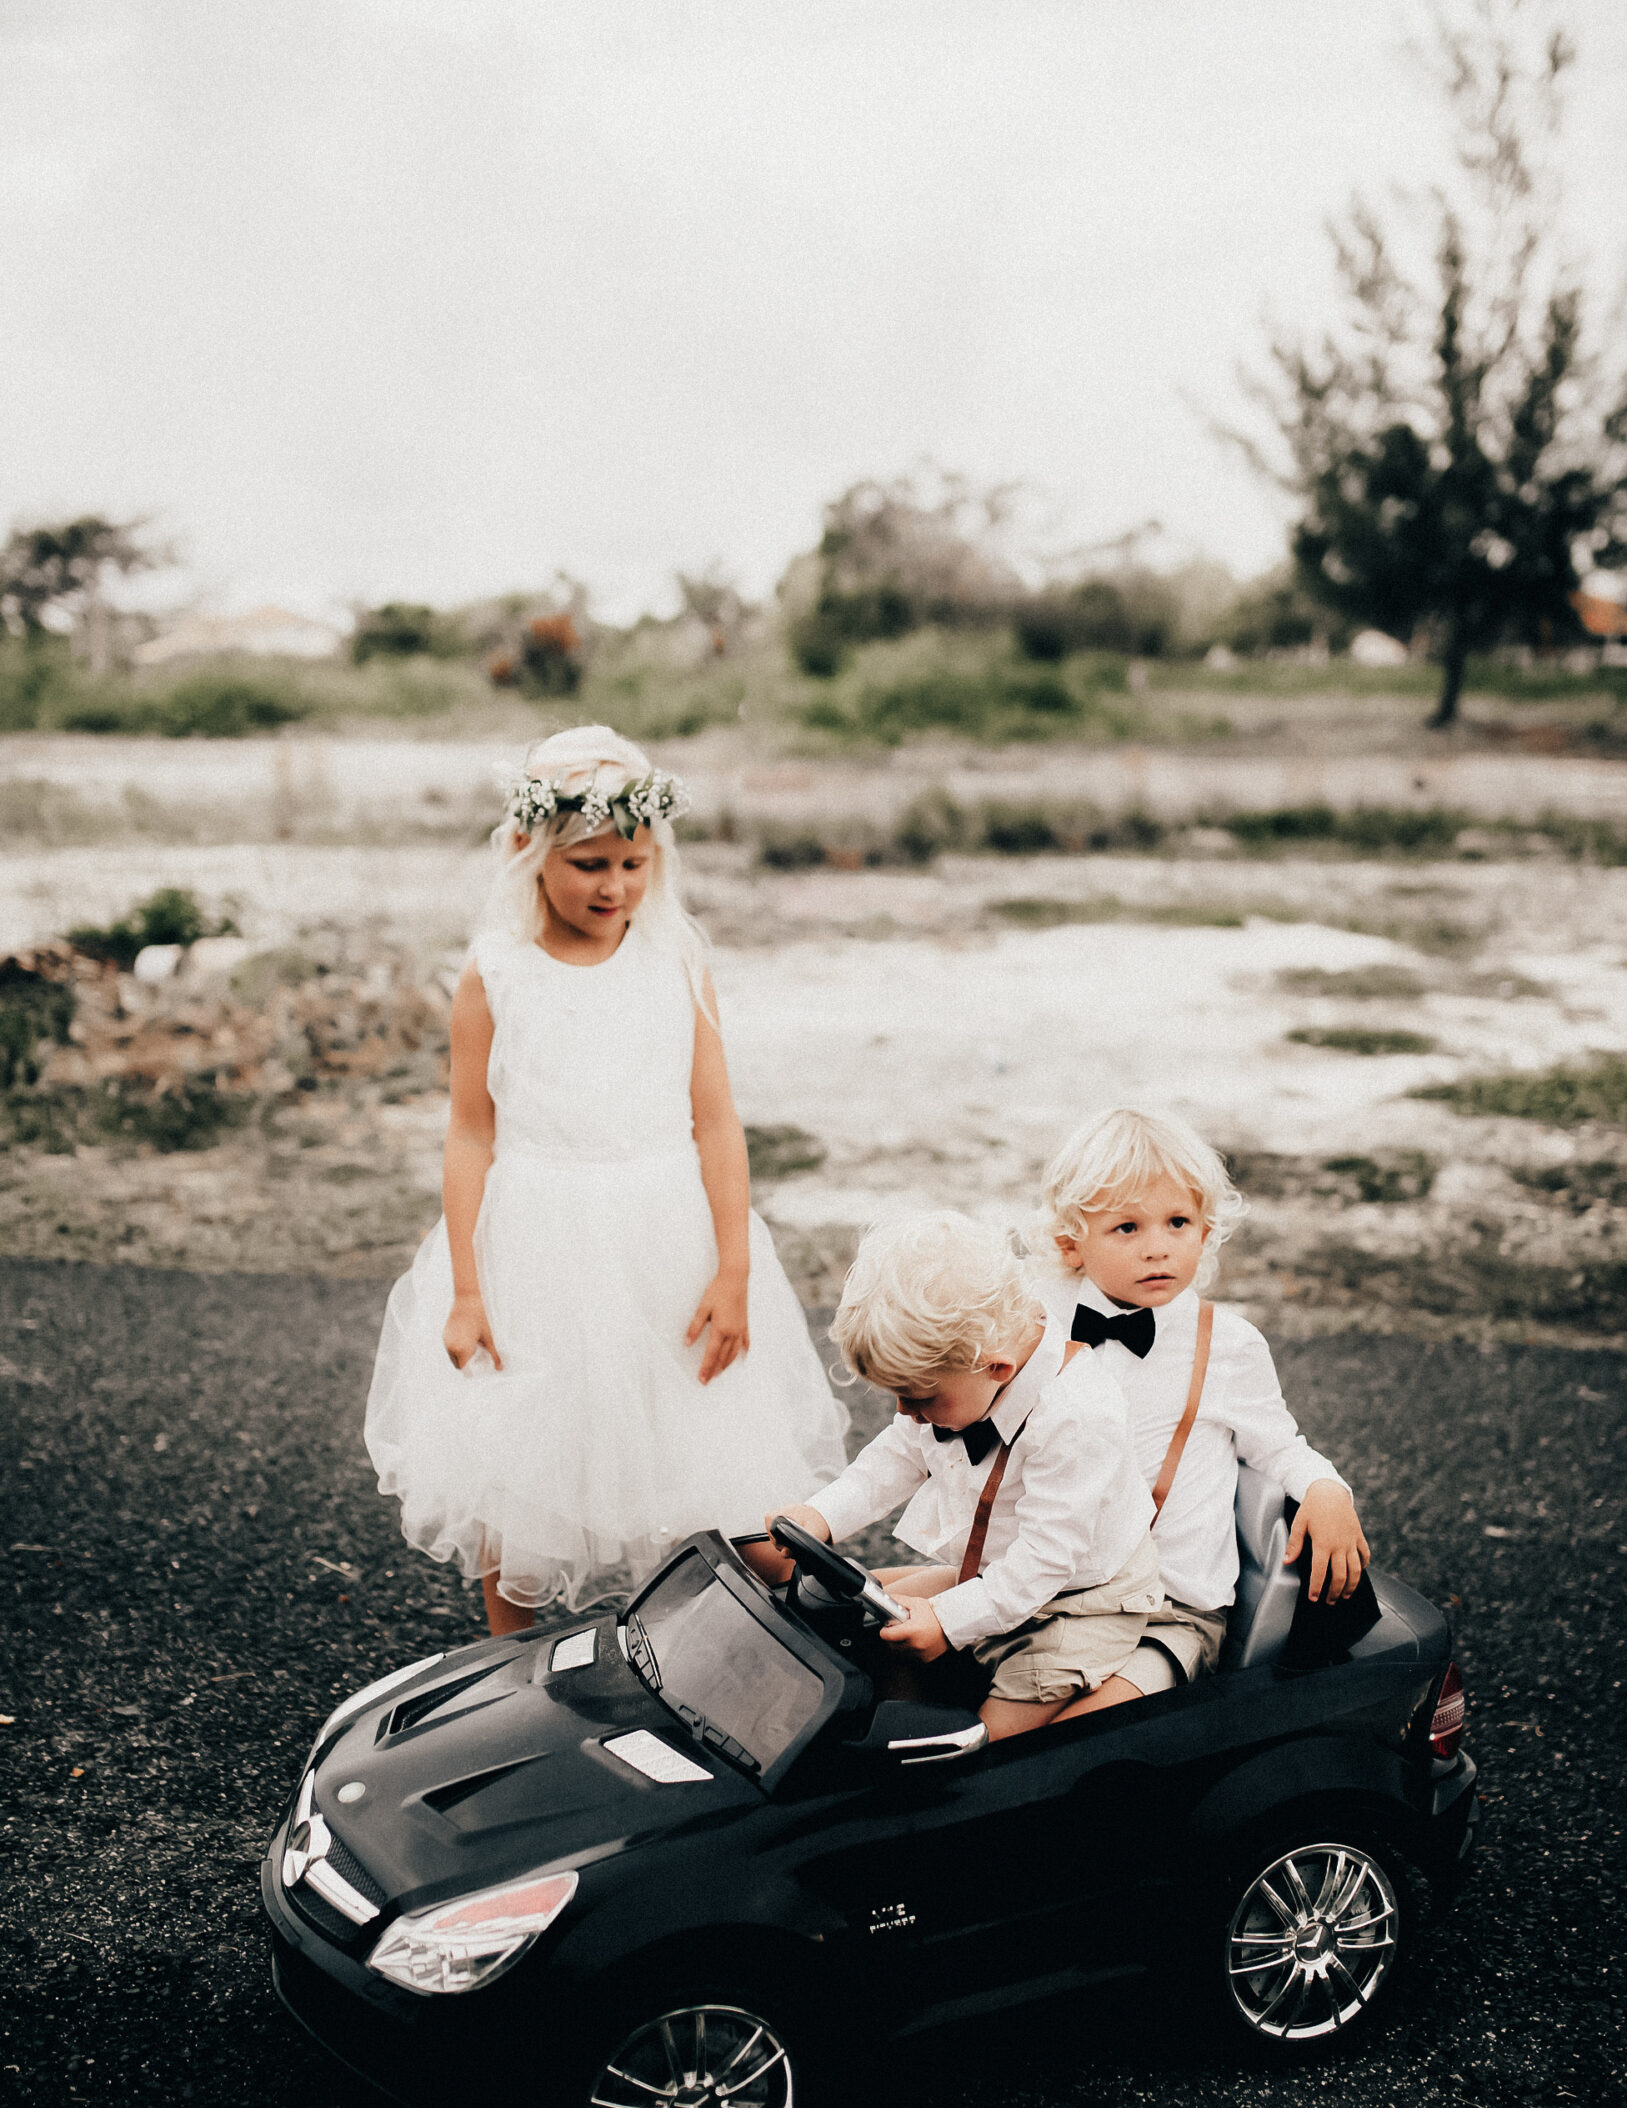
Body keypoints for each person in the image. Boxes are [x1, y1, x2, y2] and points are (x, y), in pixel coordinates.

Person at [365, 725, 846, 1635]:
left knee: (706, 1454)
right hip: (535, 1236)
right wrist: (464, 1289)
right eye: (588, 864)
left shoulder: (676, 962)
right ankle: (508, 1665)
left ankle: (755, 1652)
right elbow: (470, 1132)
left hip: (668, 1233)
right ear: (529, 849)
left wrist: (734, 1267)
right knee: (522, 1467)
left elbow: (716, 1122)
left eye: (633, 863)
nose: (614, 886)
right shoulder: (495, 972)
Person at [755, 1211, 1181, 1741]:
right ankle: (886, 1738)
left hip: (1078, 1604)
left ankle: (958, 1766)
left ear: (997, 1368)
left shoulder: (1076, 1417)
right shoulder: (963, 1377)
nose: (905, 1412)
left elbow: (1047, 1559)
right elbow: (895, 1457)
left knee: (993, 1738)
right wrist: (822, 1515)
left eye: (918, 1397)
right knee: (883, 1634)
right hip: (995, 1573)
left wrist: (949, 1620)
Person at [1034, 1104, 1369, 1656]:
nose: (1157, 1246)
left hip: (1168, 1608)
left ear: (1205, 1230)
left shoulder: (1228, 1346)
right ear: (1071, 1243)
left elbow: (1278, 1447)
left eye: (1178, 1222)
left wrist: (1326, 1488)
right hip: (1045, 1586)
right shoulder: (1039, 1325)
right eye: (1127, 1227)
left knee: (1070, 1711)